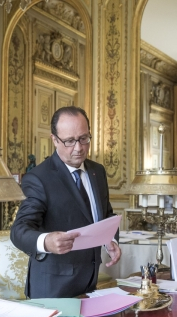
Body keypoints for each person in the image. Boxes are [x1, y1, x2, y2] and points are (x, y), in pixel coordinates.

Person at [11, 106, 122, 298]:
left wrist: (110, 239)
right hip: (53, 287)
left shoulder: (98, 171)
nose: (78, 148)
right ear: (54, 140)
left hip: (90, 282)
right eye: (70, 141)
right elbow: (19, 231)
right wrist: (46, 241)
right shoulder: (39, 178)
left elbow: (105, 214)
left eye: (84, 138)